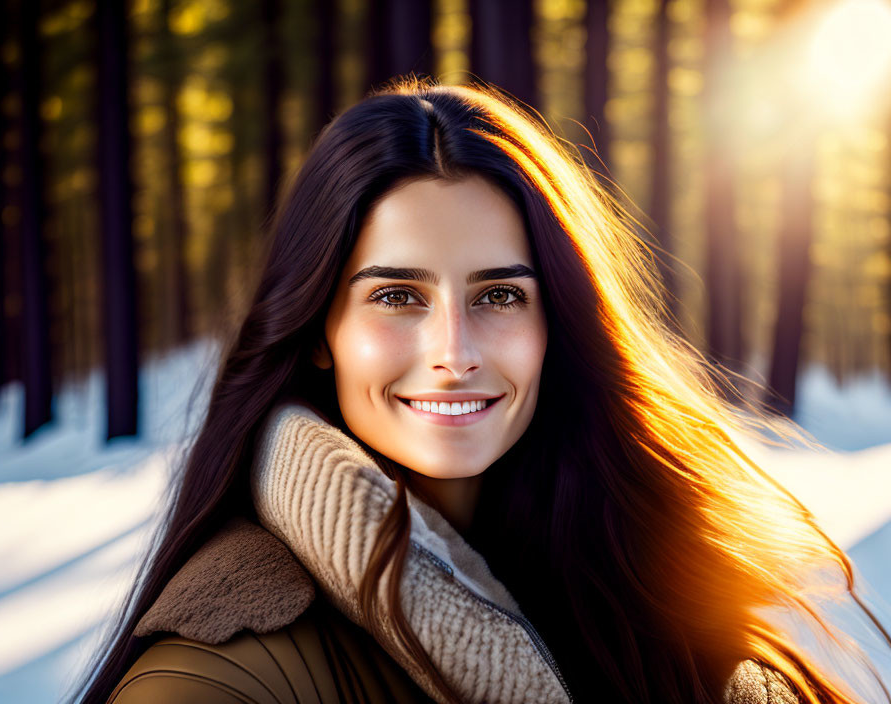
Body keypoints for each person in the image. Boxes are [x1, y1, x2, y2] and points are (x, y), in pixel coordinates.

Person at [69, 76, 888, 704]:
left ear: (554, 325)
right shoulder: (219, 675)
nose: (453, 352)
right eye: (397, 297)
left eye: (499, 296)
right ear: (320, 328)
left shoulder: (633, 583)